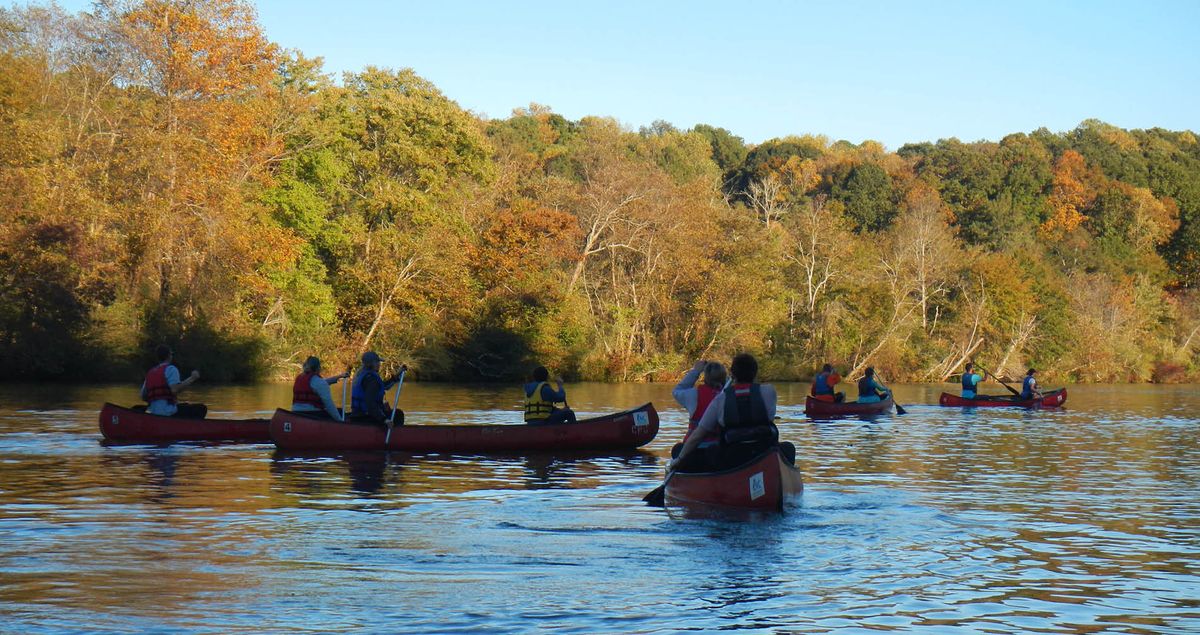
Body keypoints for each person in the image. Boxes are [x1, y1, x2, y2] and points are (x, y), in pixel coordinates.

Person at [672, 353, 794, 472]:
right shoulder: (769, 391)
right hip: (763, 453)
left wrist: (679, 459)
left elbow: (697, 435)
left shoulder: (720, 399)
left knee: (711, 451)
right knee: (789, 447)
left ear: (733, 374)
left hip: (733, 458)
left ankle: (720, 480)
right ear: (755, 372)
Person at [670, 359, 727, 459]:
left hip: (692, 451)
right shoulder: (728, 396)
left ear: (705, 378)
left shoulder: (693, 395)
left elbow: (677, 391)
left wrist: (696, 371)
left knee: (677, 449)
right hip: (718, 451)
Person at [140, 345, 203, 418]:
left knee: (184, 405)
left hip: (153, 412)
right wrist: (192, 378)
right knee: (201, 408)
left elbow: (143, 397)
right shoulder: (171, 369)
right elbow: (174, 389)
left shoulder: (150, 373)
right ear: (169, 356)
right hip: (168, 413)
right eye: (171, 354)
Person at [349, 351, 406, 425]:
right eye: (377, 362)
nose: (379, 364)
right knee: (398, 414)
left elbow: (385, 386)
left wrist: (398, 374)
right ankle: (394, 434)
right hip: (365, 417)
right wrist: (384, 419)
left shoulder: (362, 374)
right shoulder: (371, 380)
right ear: (370, 364)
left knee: (394, 412)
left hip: (358, 415)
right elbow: (369, 402)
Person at [291, 356, 351, 421]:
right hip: (311, 414)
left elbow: (320, 383)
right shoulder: (318, 382)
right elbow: (329, 406)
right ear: (318, 368)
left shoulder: (299, 378)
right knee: (340, 412)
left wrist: (339, 376)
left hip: (296, 412)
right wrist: (340, 421)